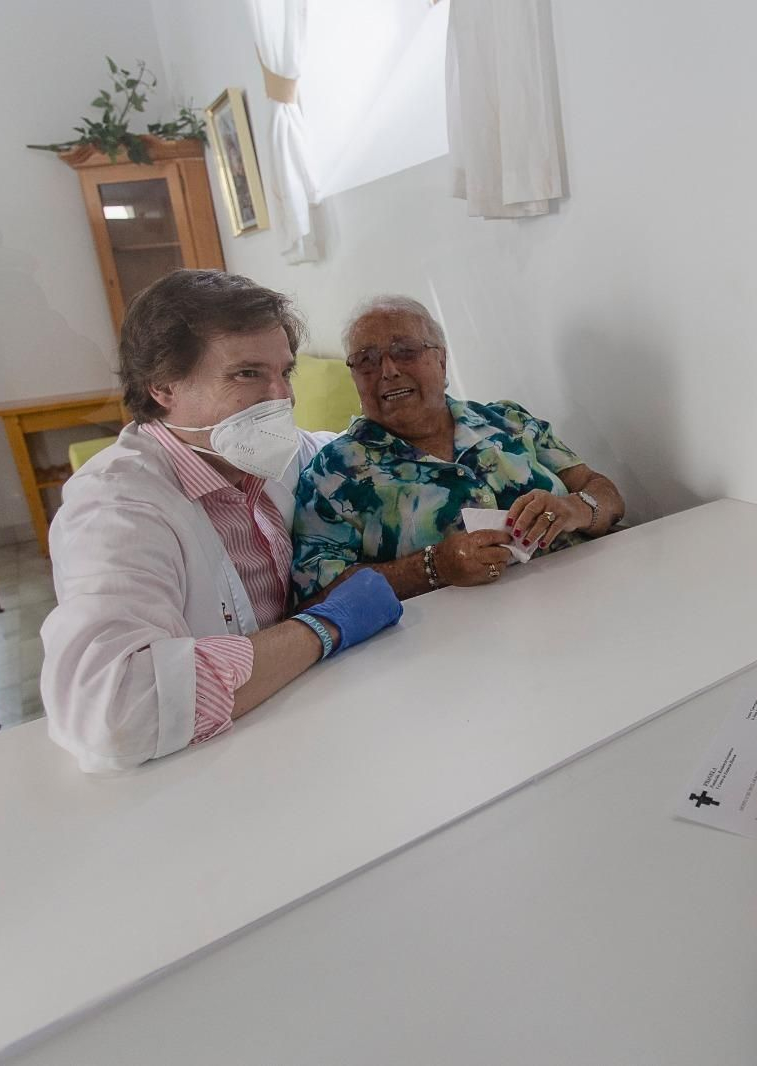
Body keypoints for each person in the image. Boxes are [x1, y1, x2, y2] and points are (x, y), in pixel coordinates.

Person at [41, 271, 403, 773]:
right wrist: (324, 626)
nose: (282, 398)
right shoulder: (115, 510)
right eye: (248, 374)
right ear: (163, 386)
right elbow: (114, 713)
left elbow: (361, 453)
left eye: (286, 373)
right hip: (202, 776)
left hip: (308, 730)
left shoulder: (272, 455)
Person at [291, 296, 625, 602]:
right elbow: (317, 597)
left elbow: (605, 494)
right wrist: (432, 568)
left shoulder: (508, 420)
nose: (389, 371)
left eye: (405, 351)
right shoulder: (333, 473)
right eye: (367, 360)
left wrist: (574, 509)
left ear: (441, 360)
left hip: (590, 596)